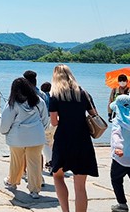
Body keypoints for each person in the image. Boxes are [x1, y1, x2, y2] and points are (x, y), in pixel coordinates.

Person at [49, 64, 99, 212]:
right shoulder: (83, 93)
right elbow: (94, 114)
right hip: (82, 139)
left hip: (64, 138)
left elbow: (54, 122)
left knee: (58, 176)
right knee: (80, 187)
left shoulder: (55, 95)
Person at [0, 77, 49, 199]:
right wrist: (40, 130)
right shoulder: (39, 101)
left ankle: (13, 182)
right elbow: (45, 120)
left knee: (16, 161)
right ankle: (35, 189)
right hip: (36, 137)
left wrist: (4, 132)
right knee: (35, 163)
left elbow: (5, 122)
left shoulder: (12, 103)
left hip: (17, 137)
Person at [40, 82, 55, 172]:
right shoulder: (52, 97)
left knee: (45, 143)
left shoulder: (41, 98)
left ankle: (50, 161)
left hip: (46, 120)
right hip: (53, 120)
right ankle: (50, 162)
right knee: (52, 142)